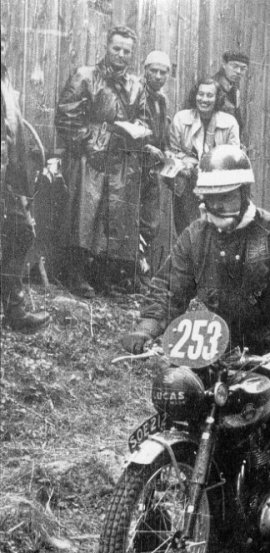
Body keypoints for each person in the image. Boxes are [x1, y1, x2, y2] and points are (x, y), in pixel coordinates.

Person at [122, 145, 270, 516]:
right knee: (182, 396)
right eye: (211, 197)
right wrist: (148, 325)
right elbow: (170, 286)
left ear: (244, 192)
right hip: (222, 344)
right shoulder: (195, 236)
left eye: (227, 195)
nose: (219, 204)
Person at [55, 25, 148, 298]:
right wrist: (89, 144)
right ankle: (75, 274)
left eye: (126, 51)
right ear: (106, 47)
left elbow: (143, 116)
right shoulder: (86, 76)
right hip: (89, 157)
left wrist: (137, 129)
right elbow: (67, 116)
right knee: (84, 214)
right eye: (116, 48)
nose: (120, 55)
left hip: (120, 157)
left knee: (113, 215)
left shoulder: (135, 84)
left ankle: (102, 277)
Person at [1, 31, 50, 332]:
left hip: (6, 175)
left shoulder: (5, 81)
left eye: (1, 43)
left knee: (20, 232)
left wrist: (20, 185)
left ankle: (14, 309)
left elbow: (14, 134)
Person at [168, 79, 239, 235]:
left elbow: (233, 158)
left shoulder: (229, 123)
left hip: (217, 187)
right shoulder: (181, 119)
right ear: (195, 96)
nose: (204, 99)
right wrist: (187, 163)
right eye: (200, 94)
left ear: (217, 98)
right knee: (188, 233)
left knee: (215, 235)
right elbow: (172, 151)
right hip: (187, 188)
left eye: (209, 95)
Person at [138, 50, 172, 270]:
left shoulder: (161, 100)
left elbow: (162, 132)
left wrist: (166, 150)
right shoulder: (137, 94)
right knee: (134, 220)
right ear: (145, 70)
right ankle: (132, 273)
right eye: (154, 71)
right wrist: (147, 146)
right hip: (134, 166)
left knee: (151, 221)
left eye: (163, 72)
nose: (158, 76)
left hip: (152, 168)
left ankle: (143, 272)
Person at [212, 51, 249, 135]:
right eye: (234, 66)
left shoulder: (234, 90)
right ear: (224, 65)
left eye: (243, 68)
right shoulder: (211, 87)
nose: (239, 71)